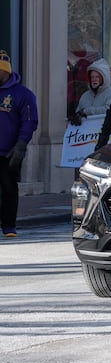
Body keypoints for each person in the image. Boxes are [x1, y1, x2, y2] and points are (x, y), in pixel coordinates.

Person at [0, 52, 37, 238]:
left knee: (8, 187)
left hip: (9, 151)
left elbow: (29, 121)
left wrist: (21, 145)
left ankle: (8, 226)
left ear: (5, 71)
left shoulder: (22, 94)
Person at [69, 59, 111, 125]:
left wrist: (87, 111)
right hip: (86, 133)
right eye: (92, 77)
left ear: (103, 78)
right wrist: (77, 117)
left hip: (106, 132)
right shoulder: (85, 96)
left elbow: (109, 110)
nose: (94, 79)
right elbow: (79, 111)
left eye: (97, 77)